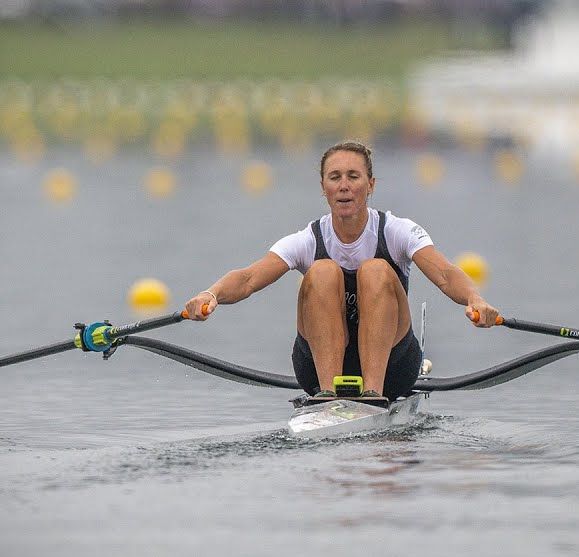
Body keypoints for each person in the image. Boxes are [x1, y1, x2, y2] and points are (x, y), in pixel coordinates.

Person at [183, 141, 499, 400]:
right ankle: (326, 393)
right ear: (324, 187)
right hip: (316, 367)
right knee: (321, 271)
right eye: (335, 177)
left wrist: (474, 298)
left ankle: (372, 393)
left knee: (375, 270)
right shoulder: (308, 239)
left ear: (370, 185)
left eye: (353, 176)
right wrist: (210, 294)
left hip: (393, 369)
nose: (344, 185)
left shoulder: (398, 231)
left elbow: (444, 274)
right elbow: (249, 278)